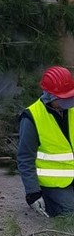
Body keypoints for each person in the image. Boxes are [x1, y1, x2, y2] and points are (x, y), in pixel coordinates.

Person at [17, 66, 74, 218]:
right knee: (71, 213)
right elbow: (25, 158)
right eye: (63, 98)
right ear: (49, 95)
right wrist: (33, 193)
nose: (68, 102)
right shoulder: (31, 117)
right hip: (53, 184)